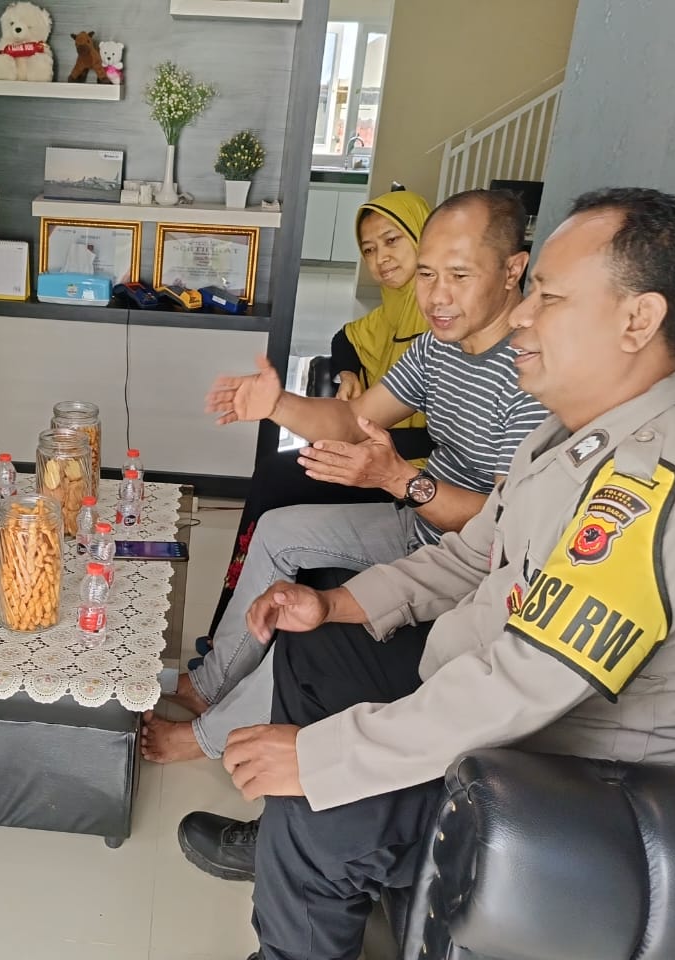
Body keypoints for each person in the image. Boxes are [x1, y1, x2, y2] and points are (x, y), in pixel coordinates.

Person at [208, 188, 675, 960]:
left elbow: (521, 690)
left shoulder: (655, 490)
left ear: (638, 320)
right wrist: (335, 603)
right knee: (316, 643)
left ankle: (300, 889)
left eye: (550, 297)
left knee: (325, 799)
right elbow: (474, 555)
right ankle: (302, 855)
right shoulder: (569, 433)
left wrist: (321, 759)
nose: (524, 315)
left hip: (592, 770)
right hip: (514, 689)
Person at [143, 190, 547, 770]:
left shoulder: (531, 376)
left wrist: (400, 480)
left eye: (459, 275)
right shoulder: (438, 348)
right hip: (421, 525)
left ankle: (206, 738)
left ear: (513, 270)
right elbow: (355, 419)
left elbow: (503, 528)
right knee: (279, 530)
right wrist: (278, 405)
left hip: (470, 563)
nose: (437, 296)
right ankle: (209, 685)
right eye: (427, 274)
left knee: (319, 623)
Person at [204, 190, 434, 645]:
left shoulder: (440, 320)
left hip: (412, 472)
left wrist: (364, 441)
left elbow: (443, 434)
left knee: (280, 476)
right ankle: (231, 626)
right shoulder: (390, 315)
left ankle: (230, 630)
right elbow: (345, 338)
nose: (382, 259)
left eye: (393, 241)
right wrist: (349, 373)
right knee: (279, 473)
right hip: (375, 445)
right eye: (370, 250)